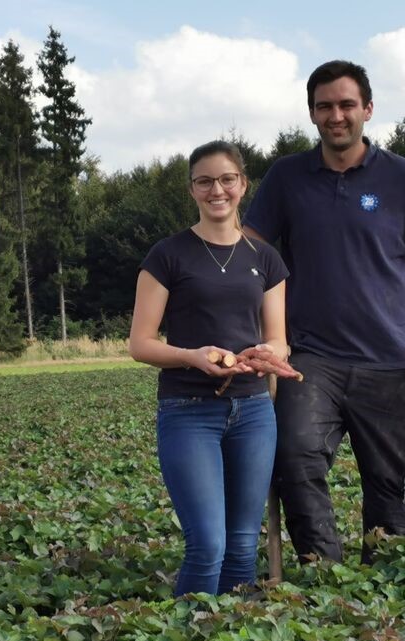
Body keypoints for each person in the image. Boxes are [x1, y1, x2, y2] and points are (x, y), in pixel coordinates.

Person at [244, 60, 405, 564]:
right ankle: (326, 572)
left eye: (347, 104)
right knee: (292, 458)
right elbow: (248, 259)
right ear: (311, 113)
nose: (336, 115)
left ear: (367, 109)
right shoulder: (287, 178)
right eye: (324, 106)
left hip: (392, 363)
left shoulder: (403, 179)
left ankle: (380, 591)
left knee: (393, 507)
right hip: (310, 360)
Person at [128, 140, 291, 595]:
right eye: (204, 181)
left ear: (243, 184)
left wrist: (264, 353)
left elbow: (280, 338)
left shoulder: (265, 259)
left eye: (226, 179)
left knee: (242, 544)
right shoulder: (168, 256)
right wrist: (191, 355)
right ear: (192, 190)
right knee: (208, 543)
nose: (216, 190)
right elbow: (140, 344)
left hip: (254, 411)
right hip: (188, 410)